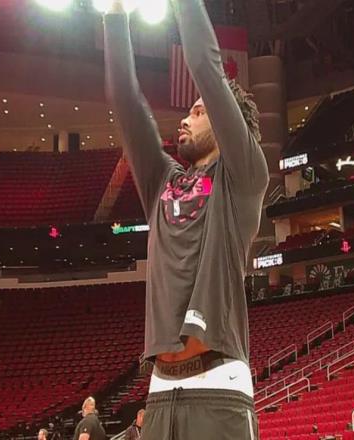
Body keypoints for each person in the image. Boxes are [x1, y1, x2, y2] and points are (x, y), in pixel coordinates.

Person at [104, 0, 269, 438]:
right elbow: (126, 102)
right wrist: (115, 14)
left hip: (219, 389)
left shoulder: (243, 176)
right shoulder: (162, 180)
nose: (185, 118)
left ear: (224, 120)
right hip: (160, 394)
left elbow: (206, 69)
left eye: (198, 112)